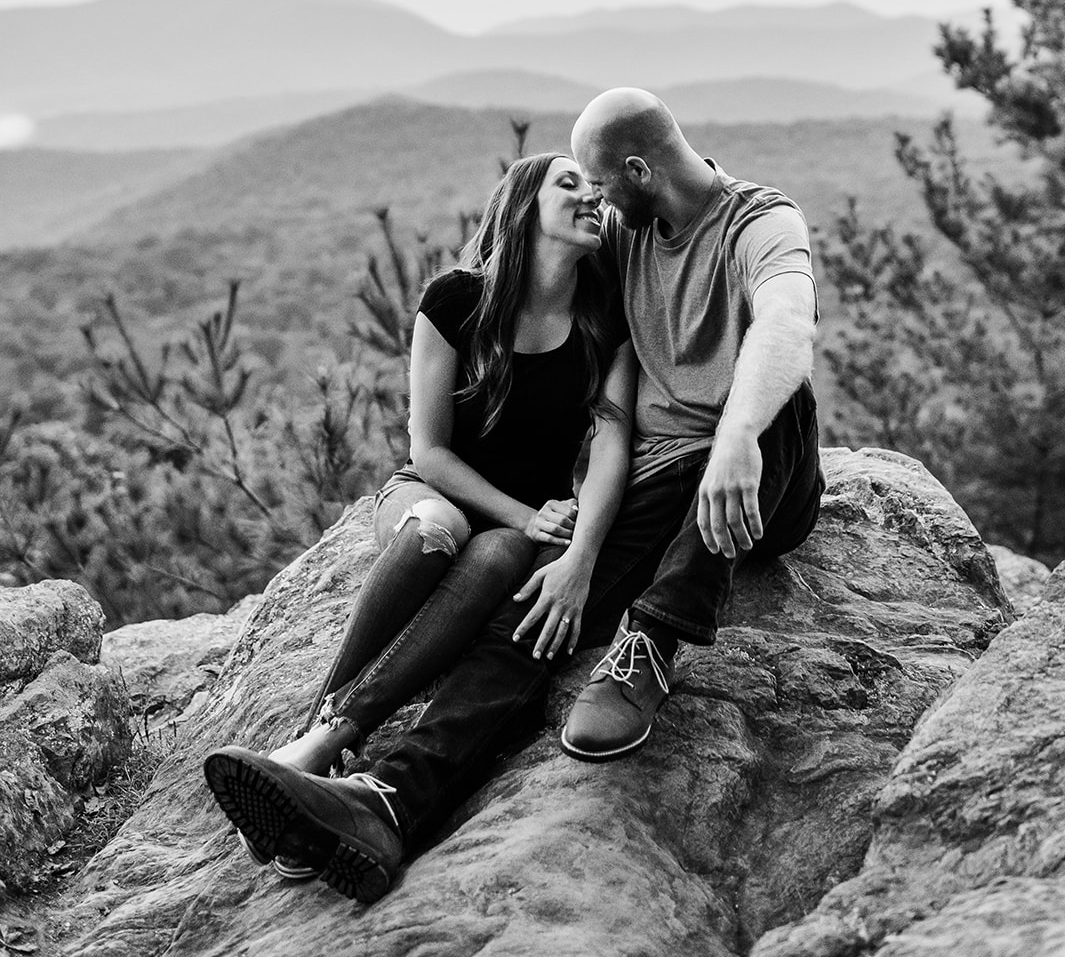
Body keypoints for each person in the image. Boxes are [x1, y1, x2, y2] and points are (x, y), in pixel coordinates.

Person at [204, 90, 823, 904]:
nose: (597, 206)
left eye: (601, 187)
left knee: (773, 400)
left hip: (760, 483)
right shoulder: (623, 242)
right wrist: (573, 556)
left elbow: (785, 322)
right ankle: (387, 801)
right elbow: (573, 389)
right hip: (665, 478)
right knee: (529, 610)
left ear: (637, 171)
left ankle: (652, 643)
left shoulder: (761, 223)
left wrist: (736, 436)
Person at [204, 150, 635, 885]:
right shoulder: (455, 300)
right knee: (444, 531)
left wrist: (558, 538)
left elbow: (610, 437)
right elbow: (429, 450)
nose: (590, 196)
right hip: (430, 494)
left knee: (498, 556)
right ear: (523, 206)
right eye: (569, 183)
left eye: (594, 187)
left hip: (507, 530)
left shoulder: (600, 319)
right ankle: (317, 736)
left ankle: (311, 766)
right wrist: (526, 514)